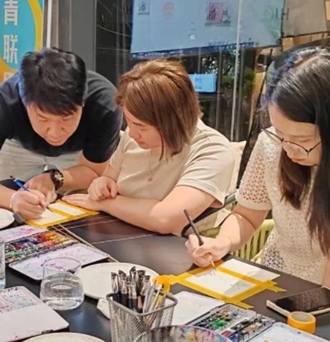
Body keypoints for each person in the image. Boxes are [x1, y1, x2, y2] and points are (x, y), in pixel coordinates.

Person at [186, 49, 330, 311]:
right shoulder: (271, 143)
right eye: (280, 133)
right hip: (275, 280)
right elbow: (246, 216)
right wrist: (221, 242)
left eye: (303, 140)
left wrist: (309, 318)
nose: (288, 148)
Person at [63, 59, 234, 235]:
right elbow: (109, 177)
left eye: (141, 126)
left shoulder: (212, 149)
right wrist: (102, 184)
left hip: (176, 246)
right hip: (118, 234)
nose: (132, 133)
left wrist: (105, 203)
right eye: (128, 121)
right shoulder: (132, 136)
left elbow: (166, 218)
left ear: (172, 120)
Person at [0, 48, 124, 220]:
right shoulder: (5, 101)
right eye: (43, 118)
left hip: (78, 154)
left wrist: (54, 178)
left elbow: (93, 171)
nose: (55, 132)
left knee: (78, 210)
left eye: (66, 118)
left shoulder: (105, 104)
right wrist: (12, 199)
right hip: (18, 146)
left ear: (83, 104)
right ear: (25, 103)